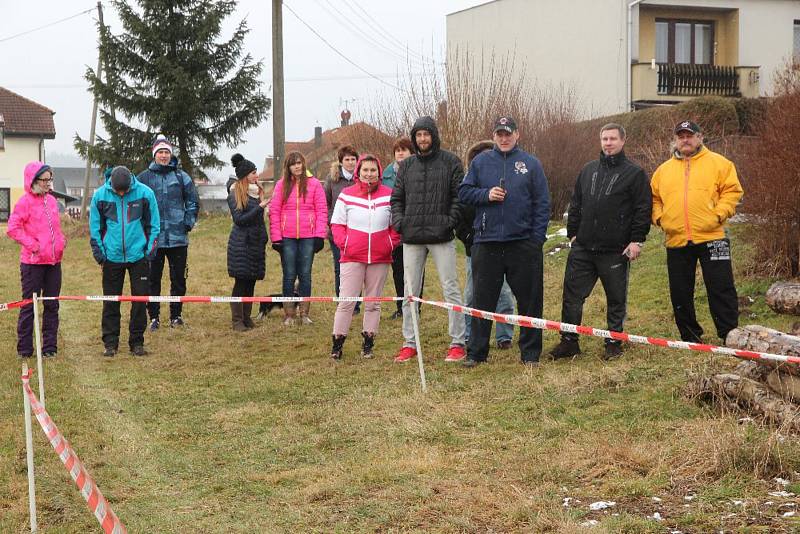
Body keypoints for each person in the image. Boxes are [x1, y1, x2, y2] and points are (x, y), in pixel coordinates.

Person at [549, 123, 652, 361]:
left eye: (613, 139)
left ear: (622, 141)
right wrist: (572, 234)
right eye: (604, 139)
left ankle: (614, 342)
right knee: (572, 296)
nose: (608, 143)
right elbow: (575, 203)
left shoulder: (634, 174)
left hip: (615, 250)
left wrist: (637, 240)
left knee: (616, 298)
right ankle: (569, 341)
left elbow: (642, 209)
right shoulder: (588, 170)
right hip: (583, 248)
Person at [458, 116, 550, 367]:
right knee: (482, 301)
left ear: (517, 135)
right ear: (494, 136)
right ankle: (477, 353)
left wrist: (536, 239)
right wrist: (486, 195)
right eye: (499, 134)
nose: (504, 138)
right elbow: (464, 193)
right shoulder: (480, 162)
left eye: (508, 133)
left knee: (530, 301)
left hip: (522, 244)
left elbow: (542, 204)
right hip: (487, 243)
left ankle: (530, 354)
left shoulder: (531, 164)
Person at [651, 120, 743, 343]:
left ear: (700, 137)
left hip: (713, 236)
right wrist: (662, 219)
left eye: (689, 135)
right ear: (675, 140)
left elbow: (732, 191)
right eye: (681, 136)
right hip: (677, 239)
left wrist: (718, 215)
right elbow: (654, 200)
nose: (685, 140)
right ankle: (690, 336)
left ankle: (729, 334)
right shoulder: (663, 171)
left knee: (721, 287)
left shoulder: (720, 163)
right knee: (680, 292)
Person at [390, 116, 466, 363]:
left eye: (426, 134)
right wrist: (400, 223)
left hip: (441, 235)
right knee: (409, 291)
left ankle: (458, 342)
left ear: (434, 136)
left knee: (450, 288)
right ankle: (409, 343)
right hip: (411, 237)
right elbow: (396, 199)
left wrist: (449, 221)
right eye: (419, 135)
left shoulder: (451, 162)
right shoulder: (407, 166)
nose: (423, 139)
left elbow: (459, 197)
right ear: (414, 138)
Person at [329, 155, 401, 359]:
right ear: (358, 172)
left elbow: (396, 225)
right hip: (352, 257)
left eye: (373, 170)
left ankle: (368, 343)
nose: (369, 174)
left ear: (379, 172)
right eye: (365, 170)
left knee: (373, 302)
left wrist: (389, 243)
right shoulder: (346, 195)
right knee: (346, 301)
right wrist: (346, 244)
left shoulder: (389, 195)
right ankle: (337, 343)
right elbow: (337, 224)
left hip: (380, 257)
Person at [89, 166, 160, 357]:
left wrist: (149, 252)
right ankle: (110, 343)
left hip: (139, 257)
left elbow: (154, 225)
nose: (121, 194)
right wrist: (100, 256)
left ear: (131, 183)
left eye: (125, 191)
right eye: (118, 191)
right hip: (111, 257)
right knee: (111, 301)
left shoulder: (146, 194)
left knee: (139, 300)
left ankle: (137, 342)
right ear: (111, 183)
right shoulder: (100, 196)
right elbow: (95, 228)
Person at [455, 140, 516, 350]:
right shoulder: (466, 188)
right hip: (475, 250)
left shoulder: (505, 183)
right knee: (472, 294)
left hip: (503, 247)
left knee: (504, 294)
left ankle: (504, 336)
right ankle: (469, 334)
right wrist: (470, 238)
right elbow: (459, 219)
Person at [137, 134, 199, 331]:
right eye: (160, 152)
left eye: (166, 152)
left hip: (178, 238)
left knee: (178, 278)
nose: (164, 156)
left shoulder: (182, 176)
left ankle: (176, 315)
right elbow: (136, 204)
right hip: (153, 239)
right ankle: (153, 317)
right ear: (154, 154)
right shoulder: (143, 178)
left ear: (170, 154)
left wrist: (187, 222)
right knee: (152, 279)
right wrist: (141, 230)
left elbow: (193, 201)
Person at [7, 162, 67, 358]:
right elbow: (13, 228)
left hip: (53, 263)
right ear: (34, 181)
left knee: (52, 305)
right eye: (45, 179)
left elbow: (54, 229)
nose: (49, 183)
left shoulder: (51, 201)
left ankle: (50, 348)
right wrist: (33, 245)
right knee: (28, 305)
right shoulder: (24, 202)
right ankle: (24, 349)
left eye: (50, 179)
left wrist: (61, 240)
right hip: (32, 264)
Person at [269, 151, 328, 326]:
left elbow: (322, 211)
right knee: (288, 275)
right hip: (287, 237)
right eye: (293, 164)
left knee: (305, 275)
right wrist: (276, 238)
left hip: (308, 237)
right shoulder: (281, 185)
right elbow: (275, 211)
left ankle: (304, 313)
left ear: (304, 164)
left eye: (299, 163)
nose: (297, 166)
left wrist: (319, 235)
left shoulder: (315, 184)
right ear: (288, 167)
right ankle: (289, 314)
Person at [381, 136, 423, 320]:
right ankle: (400, 306)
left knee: (415, 270)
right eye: (397, 150)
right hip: (395, 228)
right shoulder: (387, 174)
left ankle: (416, 307)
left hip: (416, 227)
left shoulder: (420, 169)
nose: (400, 153)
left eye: (404, 149)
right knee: (398, 269)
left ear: (411, 152)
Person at [226, 154, 269, 331]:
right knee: (241, 283)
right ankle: (237, 320)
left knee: (251, 281)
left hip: (255, 244)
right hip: (241, 245)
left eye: (256, 171)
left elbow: (258, 221)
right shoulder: (235, 194)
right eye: (253, 172)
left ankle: (246, 317)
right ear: (245, 176)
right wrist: (259, 208)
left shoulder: (256, 193)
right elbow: (239, 219)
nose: (256, 175)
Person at [324, 145, 360, 314]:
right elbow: (326, 203)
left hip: (358, 231)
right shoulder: (332, 180)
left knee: (357, 268)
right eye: (347, 159)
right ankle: (343, 302)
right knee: (341, 268)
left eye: (353, 159)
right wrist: (330, 224)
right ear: (341, 161)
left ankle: (356, 304)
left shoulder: (361, 178)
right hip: (337, 231)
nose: (350, 162)